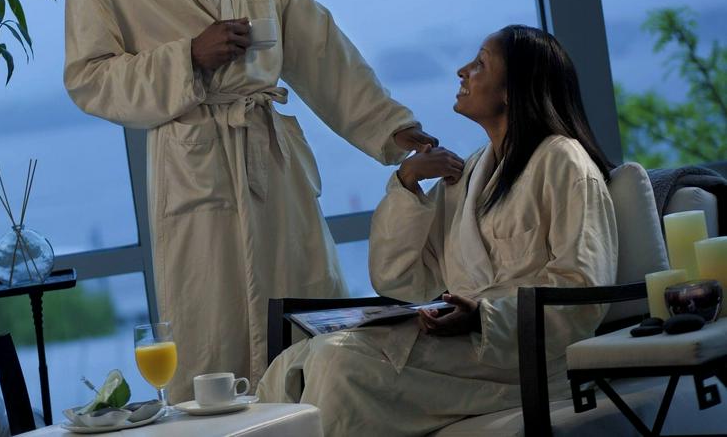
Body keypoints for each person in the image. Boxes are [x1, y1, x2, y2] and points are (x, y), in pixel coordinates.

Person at [63, 0, 434, 400]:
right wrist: (187, 58)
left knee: (312, 315)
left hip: (272, 164)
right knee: (213, 332)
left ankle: (329, 420)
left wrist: (389, 127)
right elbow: (88, 77)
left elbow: (317, 45)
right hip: (196, 169)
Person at [257, 25, 620, 436]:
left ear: (511, 90)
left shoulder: (563, 160)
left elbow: (582, 287)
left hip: (526, 354)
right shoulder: (470, 174)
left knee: (338, 364)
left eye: (480, 64)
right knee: (293, 361)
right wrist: (407, 182)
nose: (462, 71)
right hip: (466, 348)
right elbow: (402, 280)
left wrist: (483, 318)